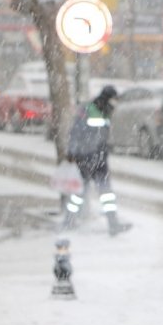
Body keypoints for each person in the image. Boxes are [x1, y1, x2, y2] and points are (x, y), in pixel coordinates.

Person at [62, 85, 131, 236]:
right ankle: (68, 221)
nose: (114, 105)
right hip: (85, 158)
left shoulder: (106, 112)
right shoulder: (87, 110)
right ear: (106, 99)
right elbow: (76, 131)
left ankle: (113, 223)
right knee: (79, 193)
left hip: (100, 158)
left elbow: (103, 134)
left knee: (106, 193)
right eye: (113, 100)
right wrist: (72, 152)